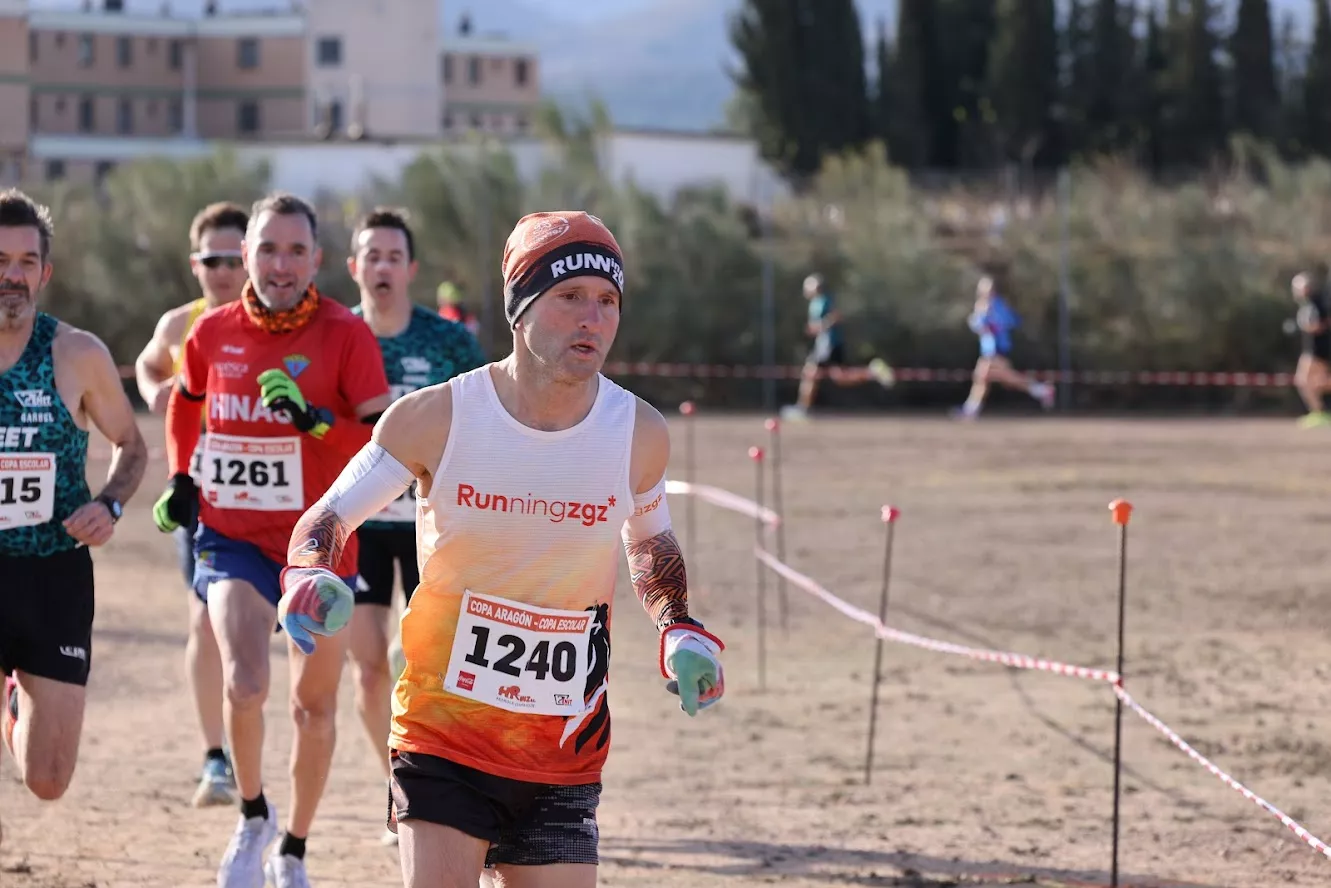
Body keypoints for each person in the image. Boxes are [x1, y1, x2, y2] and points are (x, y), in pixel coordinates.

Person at [274, 211, 725, 887]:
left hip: (565, 744)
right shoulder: (436, 417)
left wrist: (679, 626)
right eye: (569, 297)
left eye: (607, 302)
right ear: (519, 307)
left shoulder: (637, 431)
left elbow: (649, 544)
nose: (591, 319)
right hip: (442, 735)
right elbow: (329, 517)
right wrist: (307, 574)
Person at [150, 192, 390, 888]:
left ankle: (293, 848)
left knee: (311, 708)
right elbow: (185, 406)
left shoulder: (345, 335)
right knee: (245, 681)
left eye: (294, 251)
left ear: (316, 259)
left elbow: (381, 444)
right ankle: (253, 814)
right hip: (232, 538)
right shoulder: (210, 331)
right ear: (245, 254)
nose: (279, 265)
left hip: (320, 546)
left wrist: (314, 422)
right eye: (266, 249)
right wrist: (180, 478)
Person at [0, 189, 148, 816]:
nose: (12, 274)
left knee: (49, 779)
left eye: (26, 261)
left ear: (45, 273)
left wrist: (110, 505)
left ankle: (13, 702)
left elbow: (132, 447)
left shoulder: (77, 354)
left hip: (53, 574)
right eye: (0, 258)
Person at [345, 207, 485, 845]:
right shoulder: (339, 336)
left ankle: (451, 785)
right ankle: (396, 790)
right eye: (371, 256)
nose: (382, 267)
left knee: (435, 660)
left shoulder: (447, 341)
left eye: (393, 257)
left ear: (411, 270)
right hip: (361, 525)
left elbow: (486, 416)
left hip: (433, 525)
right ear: (354, 267)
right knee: (370, 664)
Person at [133, 200, 249, 808]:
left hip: (277, 505)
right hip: (202, 492)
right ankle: (216, 758)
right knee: (204, 618)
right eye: (214, 260)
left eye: (235, 258)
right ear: (194, 264)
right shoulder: (183, 324)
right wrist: (159, 395)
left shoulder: (276, 324)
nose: (225, 271)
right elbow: (148, 365)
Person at [781, 273, 892, 421]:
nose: (806, 289)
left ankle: (802, 409)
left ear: (816, 287)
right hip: (828, 344)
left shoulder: (824, 300)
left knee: (809, 373)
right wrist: (815, 328)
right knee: (841, 378)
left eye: (808, 286)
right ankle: (872, 371)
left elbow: (836, 316)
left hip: (828, 344)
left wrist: (822, 326)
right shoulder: (816, 303)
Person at [953, 275, 1054, 420]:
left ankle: (1041, 390)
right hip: (988, 349)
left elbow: (1010, 321)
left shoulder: (997, 305)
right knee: (990, 378)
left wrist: (986, 320)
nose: (984, 292)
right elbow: (980, 326)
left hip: (997, 348)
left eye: (987, 289)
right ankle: (971, 410)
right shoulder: (981, 305)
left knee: (991, 376)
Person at [1291, 268, 1331, 428]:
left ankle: (1319, 413)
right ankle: (1319, 413)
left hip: (1316, 350)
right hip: (1313, 350)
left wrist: (1305, 326)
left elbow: (1319, 326)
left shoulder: (1316, 303)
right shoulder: (1312, 303)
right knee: (1317, 383)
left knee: (1303, 381)